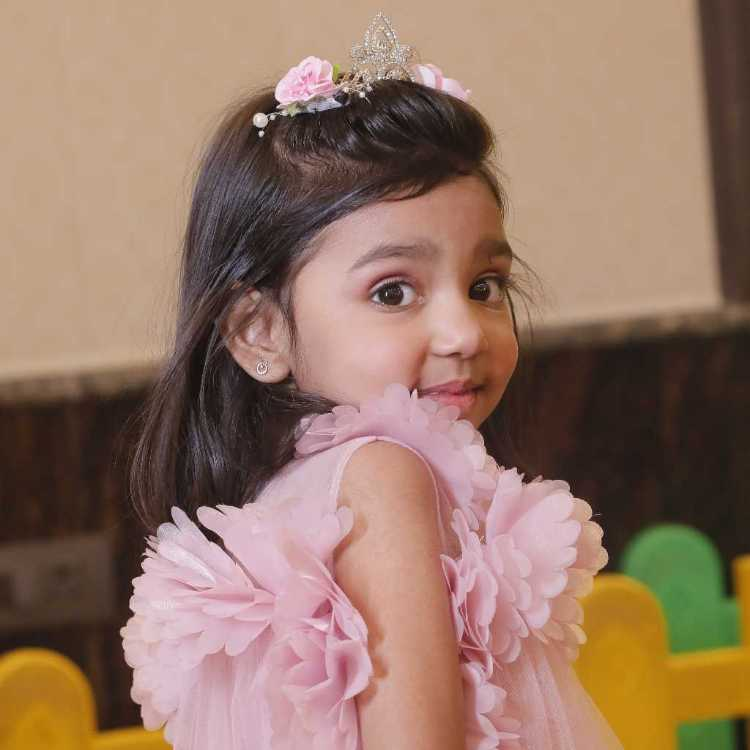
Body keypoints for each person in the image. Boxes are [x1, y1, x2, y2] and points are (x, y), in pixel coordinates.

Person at [120, 11, 623, 750]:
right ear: (259, 332)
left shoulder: (294, 491)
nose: (464, 332)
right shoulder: (383, 478)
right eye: (393, 291)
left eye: (484, 286)